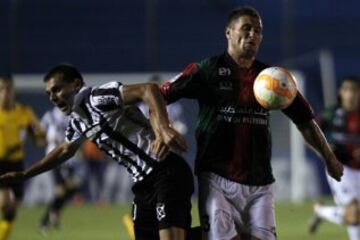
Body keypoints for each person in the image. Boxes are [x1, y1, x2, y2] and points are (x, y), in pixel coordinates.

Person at [159, 6, 343, 240]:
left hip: (260, 183)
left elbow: (306, 121)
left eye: (258, 31)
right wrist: (162, 128)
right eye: (246, 29)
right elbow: (159, 94)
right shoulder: (207, 70)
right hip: (217, 178)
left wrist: (329, 157)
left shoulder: (274, 78)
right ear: (228, 32)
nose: (253, 35)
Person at [0, 64, 194, 240]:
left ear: (76, 85)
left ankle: (220, 231)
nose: (53, 97)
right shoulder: (77, 122)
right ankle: (218, 232)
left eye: (57, 89)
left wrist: (163, 129)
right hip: (143, 185)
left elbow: (149, 89)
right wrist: (25, 174)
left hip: (166, 171)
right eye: (49, 93)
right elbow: (64, 150)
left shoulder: (97, 97)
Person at [309, 76, 360, 240]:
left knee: (355, 216)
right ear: (340, 93)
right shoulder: (331, 114)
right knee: (353, 213)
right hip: (341, 169)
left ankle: (321, 211)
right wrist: (323, 151)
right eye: (346, 90)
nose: (350, 94)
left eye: (354, 90)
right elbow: (310, 132)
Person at [0, 75, 46, 240]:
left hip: (17, 164)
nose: (4, 93)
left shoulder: (24, 113)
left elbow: (38, 136)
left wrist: (39, 138)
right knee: (5, 203)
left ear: (13, 91)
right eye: (1, 90)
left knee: (12, 210)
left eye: (7, 89)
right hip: (0, 164)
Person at [38, 106, 87, 234]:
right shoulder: (50, 115)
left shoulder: (72, 115)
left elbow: (78, 134)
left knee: (73, 186)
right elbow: (39, 133)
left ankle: (55, 211)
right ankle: (44, 222)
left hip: (69, 159)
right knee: (60, 191)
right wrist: (47, 140)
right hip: (55, 158)